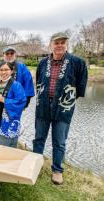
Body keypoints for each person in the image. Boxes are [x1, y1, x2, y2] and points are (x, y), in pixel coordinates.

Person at [33, 32, 88, 185]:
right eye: (56, 43)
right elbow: (39, 82)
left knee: (59, 141)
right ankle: (35, 164)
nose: (59, 45)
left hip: (63, 108)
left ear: (66, 45)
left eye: (62, 42)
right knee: (39, 138)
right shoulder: (43, 63)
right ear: (51, 45)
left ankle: (57, 170)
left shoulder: (77, 62)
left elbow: (81, 86)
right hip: (43, 106)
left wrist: (66, 100)